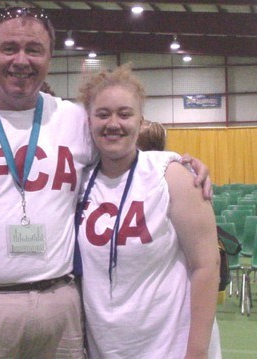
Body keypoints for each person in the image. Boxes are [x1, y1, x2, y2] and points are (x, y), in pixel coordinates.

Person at [0, 7, 212, 359]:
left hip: (58, 308)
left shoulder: (74, 120)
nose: (20, 60)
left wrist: (178, 163)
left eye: (33, 49)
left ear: (49, 57)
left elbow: (121, 149)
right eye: (9, 48)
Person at [76, 64, 221, 358]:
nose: (113, 123)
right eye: (103, 114)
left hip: (171, 346)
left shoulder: (173, 176)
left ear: (141, 122)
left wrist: (197, 352)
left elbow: (207, 266)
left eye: (125, 114)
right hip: (105, 347)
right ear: (89, 120)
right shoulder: (78, 183)